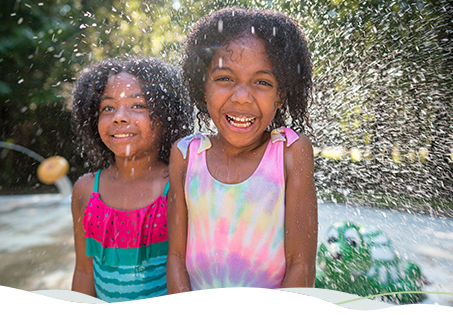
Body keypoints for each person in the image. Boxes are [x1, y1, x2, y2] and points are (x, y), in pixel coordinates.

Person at [167, 7, 318, 293]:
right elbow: (175, 258)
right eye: (225, 78)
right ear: (203, 87)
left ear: (281, 95)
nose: (242, 97)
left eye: (262, 82)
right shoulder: (186, 155)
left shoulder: (289, 152)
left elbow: (302, 264)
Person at [70, 57, 192, 302]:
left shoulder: (179, 185)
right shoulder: (86, 190)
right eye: (108, 108)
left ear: (166, 115)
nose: (119, 117)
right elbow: (84, 272)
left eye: (138, 105)